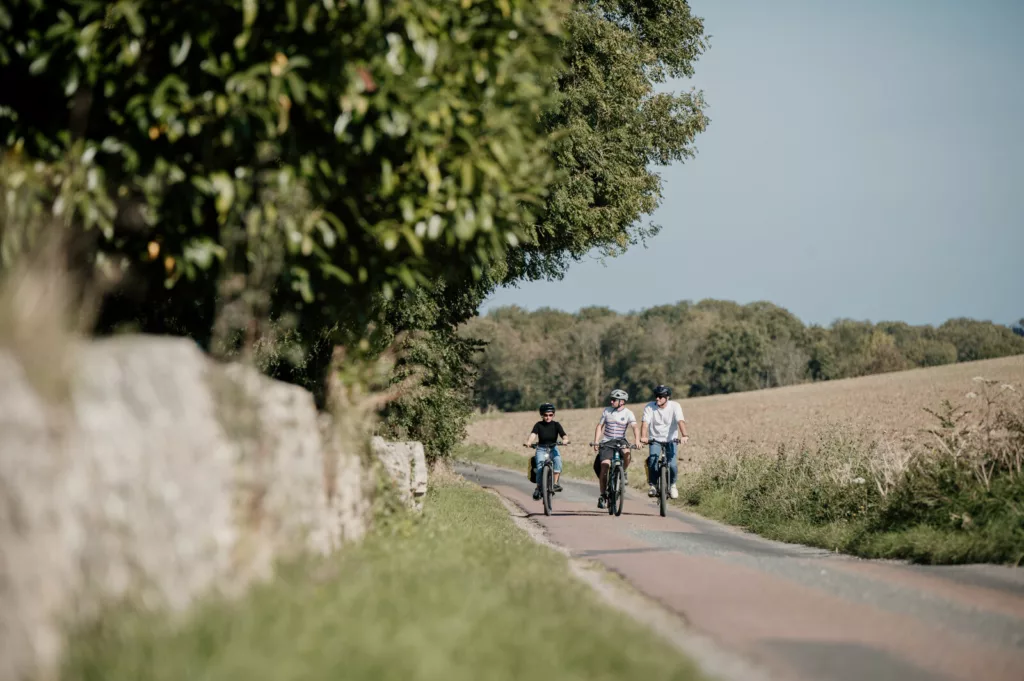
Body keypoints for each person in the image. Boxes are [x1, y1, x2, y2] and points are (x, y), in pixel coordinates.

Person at [591, 388, 640, 509]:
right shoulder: (607, 411)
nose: (611, 402)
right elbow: (600, 426)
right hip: (607, 440)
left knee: (627, 452)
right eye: (611, 399)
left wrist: (637, 440)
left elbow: (635, 427)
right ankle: (602, 495)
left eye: (614, 400)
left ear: (622, 402)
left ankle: (623, 472)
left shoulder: (628, 413)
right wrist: (596, 441)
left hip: (620, 440)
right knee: (604, 465)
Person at [640, 384, 688, 499]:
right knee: (652, 460)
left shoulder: (675, 406)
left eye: (660, 396)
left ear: (667, 397)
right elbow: (645, 423)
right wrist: (643, 436)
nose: (657, 398)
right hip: (655, 439)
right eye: (656, 396)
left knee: (672, 465)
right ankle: (653, 485)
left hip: (671, 439)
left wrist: (685, 435)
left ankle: (672, 485)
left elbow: (680, 421)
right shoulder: (649, 407)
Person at [525, 403, 569, 499]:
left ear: (553, 415)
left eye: (550, 415)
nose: (548, 417)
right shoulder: (538, 425)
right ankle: (538, 488)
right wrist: (529, 442)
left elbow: (563, 434)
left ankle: (555, 483)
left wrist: (565, 440)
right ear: (542, 415)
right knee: (540, 467)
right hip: (541, 448)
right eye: (545, 415)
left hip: (553, 448)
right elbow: (533, 434)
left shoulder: (556, 425)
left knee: (557, 461)